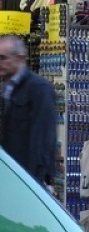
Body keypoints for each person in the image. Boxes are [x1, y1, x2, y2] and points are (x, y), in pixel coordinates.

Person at [0, 34, 58, 189]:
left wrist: (36, 181)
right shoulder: (6, 89)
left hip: (27, 179)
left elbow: (43, 139)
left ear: (19, 58)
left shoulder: (39, 89)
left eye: (3, 58)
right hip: (9, 175)